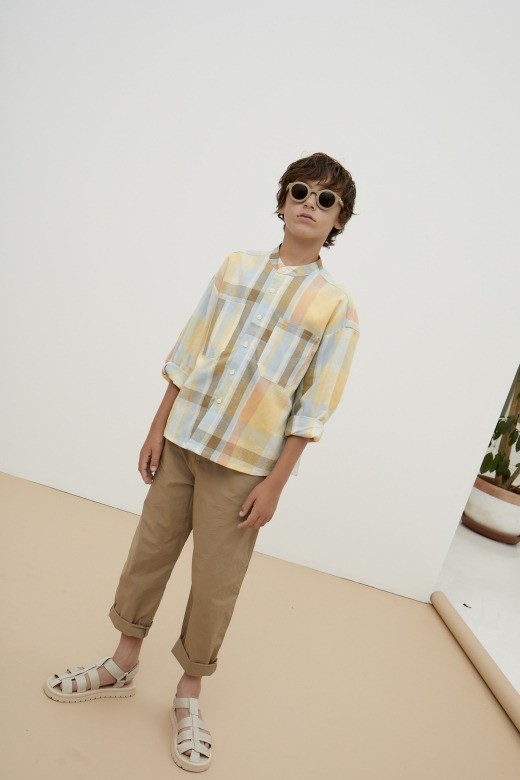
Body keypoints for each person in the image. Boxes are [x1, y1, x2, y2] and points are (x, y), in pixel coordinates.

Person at [43, 151, 361, 772]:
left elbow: (315, 405)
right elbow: (189, 350)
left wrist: (275, 484)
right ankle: (122, 663)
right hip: (185, 440)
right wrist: (158, 427)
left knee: (216, 583)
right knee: (149, 551)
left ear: (338, 221)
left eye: (326, 200)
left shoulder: (335, 306)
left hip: (245, 465)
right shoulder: (235, 268)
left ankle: (188, 694)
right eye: (300, 191)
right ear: (281, 201)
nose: (310, 204)